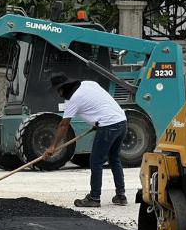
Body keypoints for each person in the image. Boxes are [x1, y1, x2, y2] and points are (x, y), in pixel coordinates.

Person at [44, 73, 128, 208]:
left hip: (108, 125)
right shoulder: (89, 83)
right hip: (121, 121)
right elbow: (100, 103)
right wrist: (96, 122)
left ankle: (94, 198)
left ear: (63, 88)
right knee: (114, 159)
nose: (58, 94)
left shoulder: (73, 100)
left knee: (96, 161)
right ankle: (121, 196)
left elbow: (63, 125)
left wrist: (53, 146)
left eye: (58, 91)